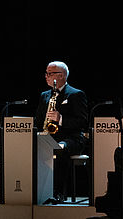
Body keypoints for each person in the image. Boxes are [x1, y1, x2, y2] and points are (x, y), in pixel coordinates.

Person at [35, 61, 88, 200]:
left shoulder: (76, 94)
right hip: (49, 137)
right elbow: (38, 121)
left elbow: (82, 122)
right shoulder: (44, 95)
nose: (46, 76)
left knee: (60, 149)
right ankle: (37, 189)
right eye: (46, 73)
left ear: (61, 75)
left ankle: (58, 192)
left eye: (50, 73)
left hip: (71, 138)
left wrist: (61, 119)